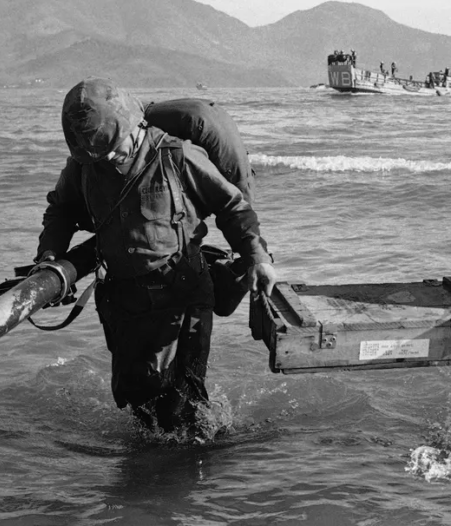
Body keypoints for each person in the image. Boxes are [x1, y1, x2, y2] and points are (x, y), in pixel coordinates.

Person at [37, 78, 276, 433]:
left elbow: (232, 208)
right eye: (99, 156)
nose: (108, 160)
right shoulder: (86, 166)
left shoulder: (178, 157)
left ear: (134, 128)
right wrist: (48, 257)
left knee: (185, 407)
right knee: (136, 401)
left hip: (183, 291)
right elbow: (60, 210)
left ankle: (196, 472)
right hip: (125, 298)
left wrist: (257, 259)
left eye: (115, 150)